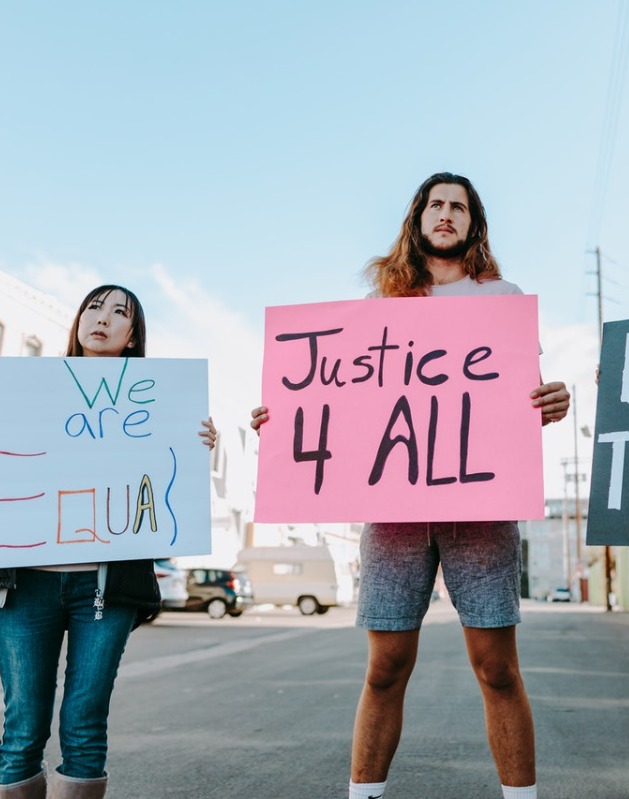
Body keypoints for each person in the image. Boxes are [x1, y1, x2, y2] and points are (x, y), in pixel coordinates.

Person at [251, 172, 569, 799]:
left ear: (473, 224)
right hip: (394, 512)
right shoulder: (380, 308)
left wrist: (552, 398)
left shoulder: (502, 297)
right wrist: (282, 416)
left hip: (481, 505)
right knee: (385, 668)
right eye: (435, 204)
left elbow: (515, 396)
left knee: (497, 668)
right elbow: (341, 399)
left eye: (459, 206)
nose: (446, 214)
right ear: (418, 220)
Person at [0, 285, 217, 799]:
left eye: (120, 312)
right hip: (22, 587)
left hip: (104, 589)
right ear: (77, 319)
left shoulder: (158, 403)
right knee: (23, 727)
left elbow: (167, 485)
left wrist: (198, 443)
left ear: (132, 333)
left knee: (86, 724)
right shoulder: (20, 392)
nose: (103, 318)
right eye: (94, 306)